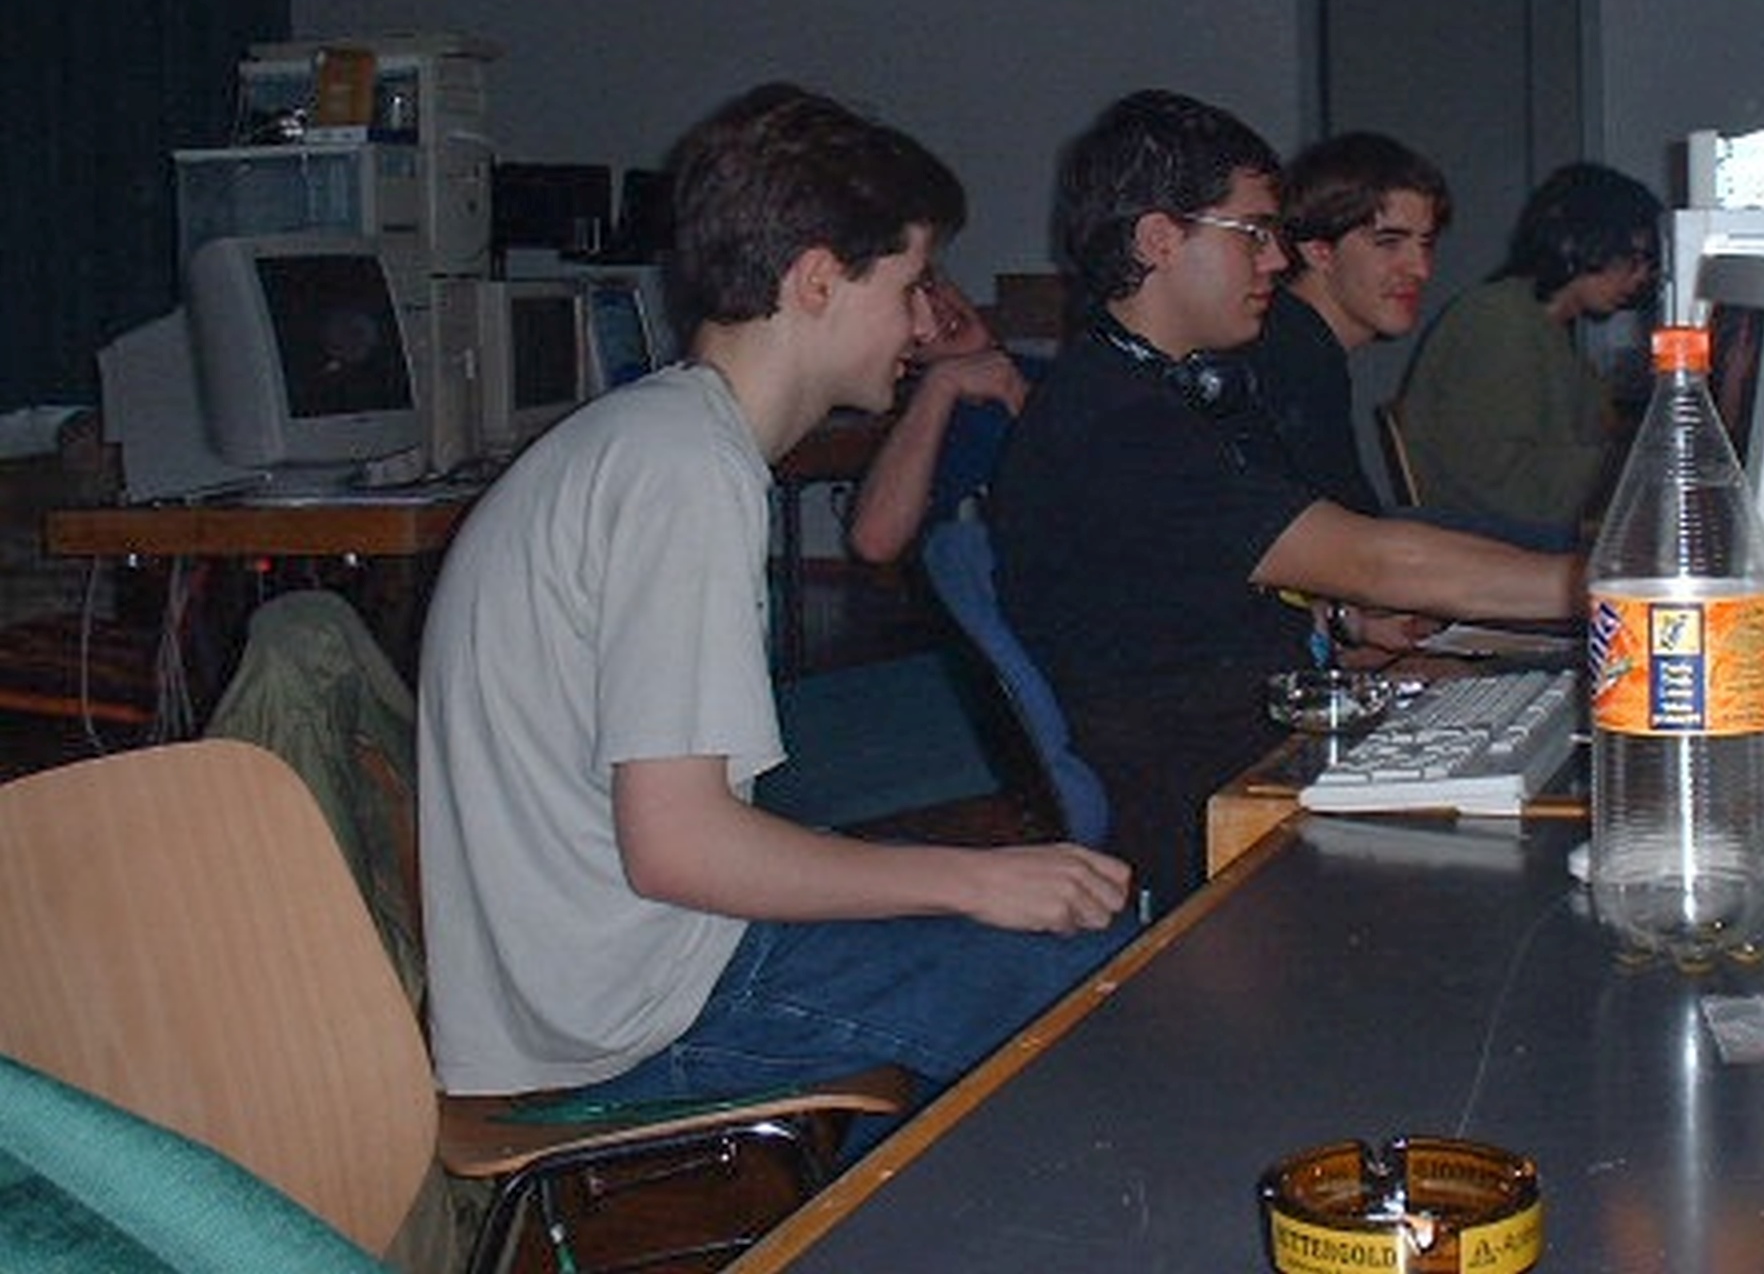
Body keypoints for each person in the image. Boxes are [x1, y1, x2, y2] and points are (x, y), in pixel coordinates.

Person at [417, 82, 1132, 1116]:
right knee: (1106, 982)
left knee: (1014, 914)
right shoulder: (686, 471)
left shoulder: (660, 437)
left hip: (608, 973)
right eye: (909, 283)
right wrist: (975, 879)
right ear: (816, 281)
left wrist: (968, 878)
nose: (925, 320)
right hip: (633, 1012)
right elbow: (682, 849)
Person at [989, 90, 1583, 909]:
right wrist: (1619, 590)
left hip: (1259, 739)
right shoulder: (1116, 422)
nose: (1275, 259)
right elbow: (1375, 560)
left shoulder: (1171, 389)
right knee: (1550, 867)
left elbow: (1203, 587)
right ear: (1160, 239)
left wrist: (1345, 625)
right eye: (1254, 233)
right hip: (1214, 808)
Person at [1394, 160, 1664, 546]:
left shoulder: (1547, 327)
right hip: (1488, 540)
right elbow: (1499, 479)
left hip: (1513, 531)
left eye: (1647, 265)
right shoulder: (1500, 320)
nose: (1640, 277)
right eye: (1632, 259)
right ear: (1573, 241)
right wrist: (1628, 469)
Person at [1246, 130, 1451, 517]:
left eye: (1426, 243)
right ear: (1319, 251)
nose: (1421, 268)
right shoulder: (1291, 357)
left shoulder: (1299, 339)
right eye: (1389, 242)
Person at [843, 274, 1032, 564]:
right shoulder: (928, 424)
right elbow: (874, 542)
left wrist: (1020, 400)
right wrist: (940, 383)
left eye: (931, 286)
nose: (937, 309)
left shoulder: (1063, 378)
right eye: (908, 307)